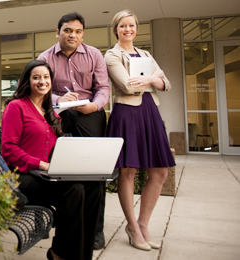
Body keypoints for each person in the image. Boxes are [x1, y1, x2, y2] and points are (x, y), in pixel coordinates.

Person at [1, 60, 102, 260]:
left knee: (95, 185)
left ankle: (83, 254)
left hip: (47, 174)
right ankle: (60, 254)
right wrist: (40, 164)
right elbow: (8, 149)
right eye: (36, 77)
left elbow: (56, 148)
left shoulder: (51, 112)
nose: (42, 81)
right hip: (23, 175)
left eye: (46, 77)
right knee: (74, 189)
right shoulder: (16, 107)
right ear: (27, 81)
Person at [104, 10, 176, 251]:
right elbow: (127, 86)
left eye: (131, 25)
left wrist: (155, 81)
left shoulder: (145, 54)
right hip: (127, 114)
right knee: (128, 172)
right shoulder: (112, 55)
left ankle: (143, 225)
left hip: (150, 113)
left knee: (161, 172)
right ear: (116, 29)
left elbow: (167, 85)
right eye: (123, 26)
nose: (128, 30)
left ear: (136, 28)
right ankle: (133, 227)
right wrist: (153, 79)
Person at [37, 12, 110, 250]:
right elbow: (40, 90)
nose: (73, 35)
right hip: (58, 112)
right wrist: (59, 98)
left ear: (82, 35)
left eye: (78, 31)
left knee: (95, 170)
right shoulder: (45, 57)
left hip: (89, 112)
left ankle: (95, 229)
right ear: (58, 33)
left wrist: (95, 105)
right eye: (68, 30)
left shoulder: (94, 54)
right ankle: (48, 220)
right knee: (54, 164)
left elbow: (103, 88)